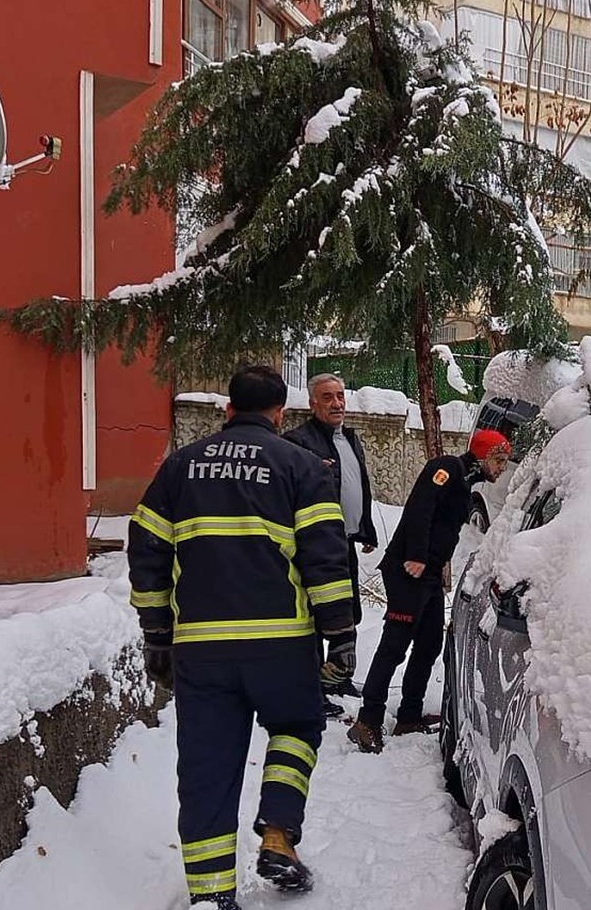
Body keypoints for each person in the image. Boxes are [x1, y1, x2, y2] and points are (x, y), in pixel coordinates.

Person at [127, 365, 355, 910]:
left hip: (203, 651)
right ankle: (278, 833)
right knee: (297, 728)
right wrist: (340, 634)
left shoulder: (180, 467)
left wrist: (157, 634)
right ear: (280, 414)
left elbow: (147, 550)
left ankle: (211, 895)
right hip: (282, 644)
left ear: (228, 410)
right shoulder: (300, 466)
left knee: (207, 766)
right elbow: (325, 558)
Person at [347, 429, 512, 754]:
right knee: (395, 645)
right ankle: (367, 721)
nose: (502, 467)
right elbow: (421, 508)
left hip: (430, 575)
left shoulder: (465, 483)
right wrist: (416, 557)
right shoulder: (447, 468)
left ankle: (409, 713)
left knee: (429, 644)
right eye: (499, 459)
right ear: (482, 455)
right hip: (410, 570)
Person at [283, 374, 378, 709]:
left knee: (347, 611)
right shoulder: (298, 442)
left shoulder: (350, 439)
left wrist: (365, 529)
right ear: (312, 404)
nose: (337, 403)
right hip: (315, 549)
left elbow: (357, 487)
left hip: (345, 543)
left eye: (340, 396)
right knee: (316, 616)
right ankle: (311, 690)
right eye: (328, 397)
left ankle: (338, 677)